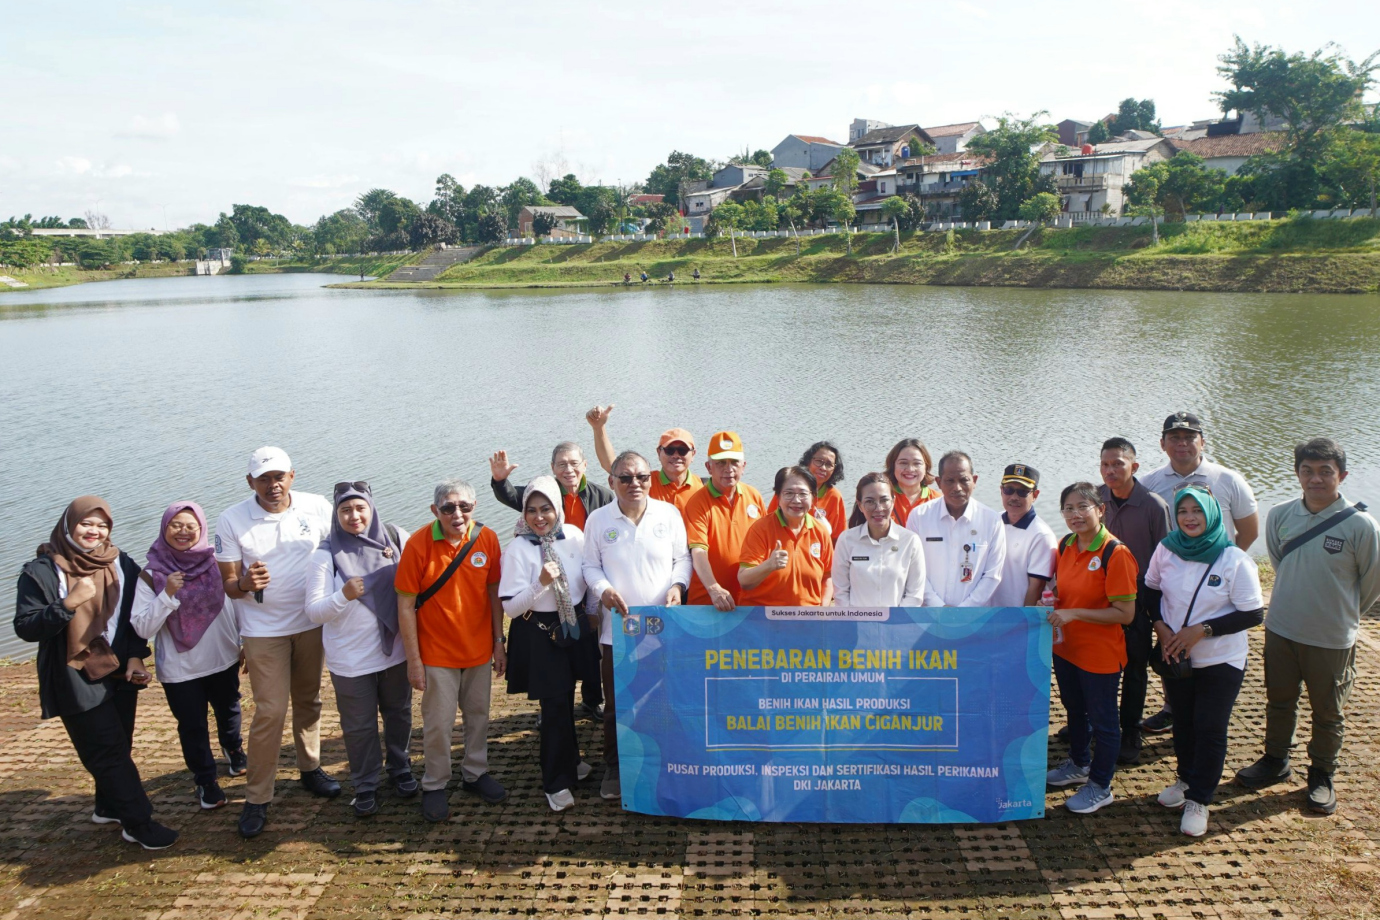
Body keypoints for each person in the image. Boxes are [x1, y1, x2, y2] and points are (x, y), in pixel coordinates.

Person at [14, 497, 177, 850]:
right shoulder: (42, 570)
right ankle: (138, 823)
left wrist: (136, 658)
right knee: (107, 751)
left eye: (102, 525)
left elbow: (136, 614)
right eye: (87, 524)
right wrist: (67, 604)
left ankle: (107, 806)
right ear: (69, 525)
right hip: (74, 672)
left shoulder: (119, 561)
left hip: (116, 669)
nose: (95, 531)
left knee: (119, 742)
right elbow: (26, 627)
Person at [1235, 438, 1380, 815]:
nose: (1316, 479)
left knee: (1328, 711)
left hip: (1330, 638)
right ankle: (1275, 760)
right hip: (1282, 629)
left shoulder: (1362, 526)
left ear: (1341, 475)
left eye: (1325, 472)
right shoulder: (1281, 514)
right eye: (1307, 471)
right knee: (1279, 700)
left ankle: (1321, 774)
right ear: (1298, 473)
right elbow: (1282, 564)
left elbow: (1370, 586)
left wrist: (1340, 614)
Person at [215, 447, 340, 839]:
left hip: (310, 622)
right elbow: (229, 585)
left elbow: (344, 549)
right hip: (262, 629)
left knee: (309, 700)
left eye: (279, 476)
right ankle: (257, 797)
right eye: (264, 478)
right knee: (270, 710)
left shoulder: (316, 507)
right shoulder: (232, 519)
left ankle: (310, 767)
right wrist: (245, 585)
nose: (273, 485)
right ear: (250, 482)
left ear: (293, 475)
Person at [1146, 487, 1265, 836]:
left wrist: (1204, 630)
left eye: (1196, 511)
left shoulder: (1234, 559)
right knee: (1183, 721)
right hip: (1177, 656)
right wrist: (1162, 628)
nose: (1189, 518)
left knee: (1210, 726)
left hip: (1221, 659)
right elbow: (1150, 590)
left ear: (1212, 514)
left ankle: (1200, 799)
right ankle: (1185, 780)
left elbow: (1253, 614)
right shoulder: (1167, 548)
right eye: (1182, 511)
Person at [396, 479, 508, 821]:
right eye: (448, 508)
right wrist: (414, 661)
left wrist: (499, 642)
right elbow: (405, 606)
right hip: (437, 655)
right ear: (435, 511)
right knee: (438, 725)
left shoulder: (486, 539)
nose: (457, 514)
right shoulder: (418, 545)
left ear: (475, 507)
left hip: (478, 651)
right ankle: (434, 784)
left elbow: (493, 595)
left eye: (464, 507)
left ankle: (475, 773)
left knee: (478, 718)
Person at [582, 451, 691, 801]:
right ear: (612, 481)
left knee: (662, 696)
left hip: (663, 626)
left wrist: (678, 586)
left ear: (651, 479)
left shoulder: (669, 514)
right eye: (625, 478)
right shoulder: (599, 520)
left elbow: (682, 559)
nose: (634, 484)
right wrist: (603, 590)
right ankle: (616, 767)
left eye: (642, 477)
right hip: (619, 631)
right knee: (617, 703)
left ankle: (664, 760)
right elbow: (590, 567)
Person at [305, 483, 417, 818]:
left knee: (399, 715)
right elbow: (313, 611)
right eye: (345, 510)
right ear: (336, 515)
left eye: (360, 508)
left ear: (371, 508)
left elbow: (422, 578)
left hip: (395, 652)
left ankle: (400, 769)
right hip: (351, 659)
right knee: (360, 726)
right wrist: (344, 596)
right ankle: (366, 783)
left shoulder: (396, 539)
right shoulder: (326, 555)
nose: (354, 516)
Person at [131, 501, 243, 813]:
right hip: (180, 668)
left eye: (190, 526)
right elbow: (142, 627)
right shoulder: (151, 574)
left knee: (230, 709)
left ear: (202, 529)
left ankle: (234, 749)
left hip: (222, 656)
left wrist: (245, 640)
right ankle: (206, 779)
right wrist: (166, 595)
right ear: (164, 529)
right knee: (192, 725)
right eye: (175, 525)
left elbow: (237, 603)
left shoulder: (218, 563)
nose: (183, 532)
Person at [500, 477, 601, 811]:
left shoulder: (573, 535)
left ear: (558, 507)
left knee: (568, 699)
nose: (539, 517)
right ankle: (555, 782)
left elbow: (587, 577)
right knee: (555, 707)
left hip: (573, 629)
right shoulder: (518, 548)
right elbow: (511, 608)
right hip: (539, 633)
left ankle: (572, 762)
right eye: (531, 510)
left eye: (546, 509)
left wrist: (592, 613)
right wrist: (540, 584)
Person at [492, 443, 609, 718]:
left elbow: (591, 568)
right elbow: (513, 495)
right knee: (555, 699)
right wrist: (500, 480)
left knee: (581, 677)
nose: (568, 469)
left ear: (584, 464)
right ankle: (557, 741)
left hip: (577, 612)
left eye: (573, 463)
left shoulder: (598, 499)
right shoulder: (520, 545)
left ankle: (592, 703)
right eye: (561, 464)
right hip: (540, 626)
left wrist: (592, 611)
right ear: (553, 468)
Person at [1044, 482, 1138, 815]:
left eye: (1083, 507)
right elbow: (1064, 593)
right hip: (1067, 649)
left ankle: (1100, 785)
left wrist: (1075, 613)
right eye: (1068, 508)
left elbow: (1125, 613)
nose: (1075, 515)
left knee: (1104, 721)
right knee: (1074, 710)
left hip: (1100, 654)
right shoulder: (1066, 545)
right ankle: (1079, 763)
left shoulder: (1116, 553)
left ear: (1101, 509)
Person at [1098, 437, 1172, 765]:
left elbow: (1166, 562)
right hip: (1098, 595)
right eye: (1105, 464)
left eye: (1118, 464)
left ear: (1134, 466)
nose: (1111, 471)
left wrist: (1156, 609)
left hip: (1137, 600)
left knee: (1135, 667)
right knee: (1096, 663)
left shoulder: (1154, 505)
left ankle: (1130, 728)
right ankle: (1092, 722)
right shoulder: (1096, 498)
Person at [906, 451, 1006, 607]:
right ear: (938, 482)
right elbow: (914, 570)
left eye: (964, 480)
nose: (957, 487)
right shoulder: (919, 516)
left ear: (974, 480)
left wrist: (964, 611)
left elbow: (993, 575)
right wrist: (939, 607)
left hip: (974, 617)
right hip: (929, 614)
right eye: (949, 481)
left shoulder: (992, 521)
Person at [683, 431, 767, 610]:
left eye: (734, 462)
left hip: (748, 600)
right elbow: (698, 551)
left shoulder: (754, 496)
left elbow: (765, 544)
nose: (729, 469)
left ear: (743, 466)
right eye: (721, 463)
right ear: (708, 467)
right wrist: (714, 589)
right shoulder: (698, 502)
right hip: (708, 602)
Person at [739, 466, 835, 606]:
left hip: (807, 618)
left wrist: (822, 610)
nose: (796, 500)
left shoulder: (820, 531)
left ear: (813, 496)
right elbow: (744, 581)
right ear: (778, 497)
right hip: (763, 618)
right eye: (789, 493)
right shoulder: (760, 529)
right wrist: (769, 565)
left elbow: (827, 576)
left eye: (803, 494)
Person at [586, 405, 703, 515]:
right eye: (670, 450)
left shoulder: (703, 487)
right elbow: (612, 466)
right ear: (658, 452)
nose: (676, 455)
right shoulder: (645, 481)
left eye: (683, 450)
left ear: (693, 454)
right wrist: (598, 428)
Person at [832, 472, 926, 607]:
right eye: (870, 502)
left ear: (893, 501)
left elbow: (914, 595)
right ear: (860, 505)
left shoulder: (910, 541)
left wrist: (893, 623)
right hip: (857, 624)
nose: (878, 508)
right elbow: (841, 593)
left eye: (884, 500)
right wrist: (854, 623)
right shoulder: (846, 540)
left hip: (897, 624)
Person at [990, 464, 1057, 607]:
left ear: (1035, 495)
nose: (1014, 497)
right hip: (988, 614)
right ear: (1001, 490)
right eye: (1009, 490)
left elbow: (1037, 586)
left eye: (1022, 492)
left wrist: (1024, 621)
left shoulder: (1042, 535)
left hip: (1018, 616)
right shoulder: (991, 522)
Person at [768, 442, 847, 537]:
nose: (823, 468)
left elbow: (839, 536)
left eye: (829, 464)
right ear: (808, 461)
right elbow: (769, 521)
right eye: (818, 461)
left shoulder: (834, 496)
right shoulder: (788, 487)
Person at [885, 439, 941, 527]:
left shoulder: (938, 501)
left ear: (926, 467)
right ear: (892, 466)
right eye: (903, 463)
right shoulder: (882, 498)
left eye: (917, 463)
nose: (910, 469)